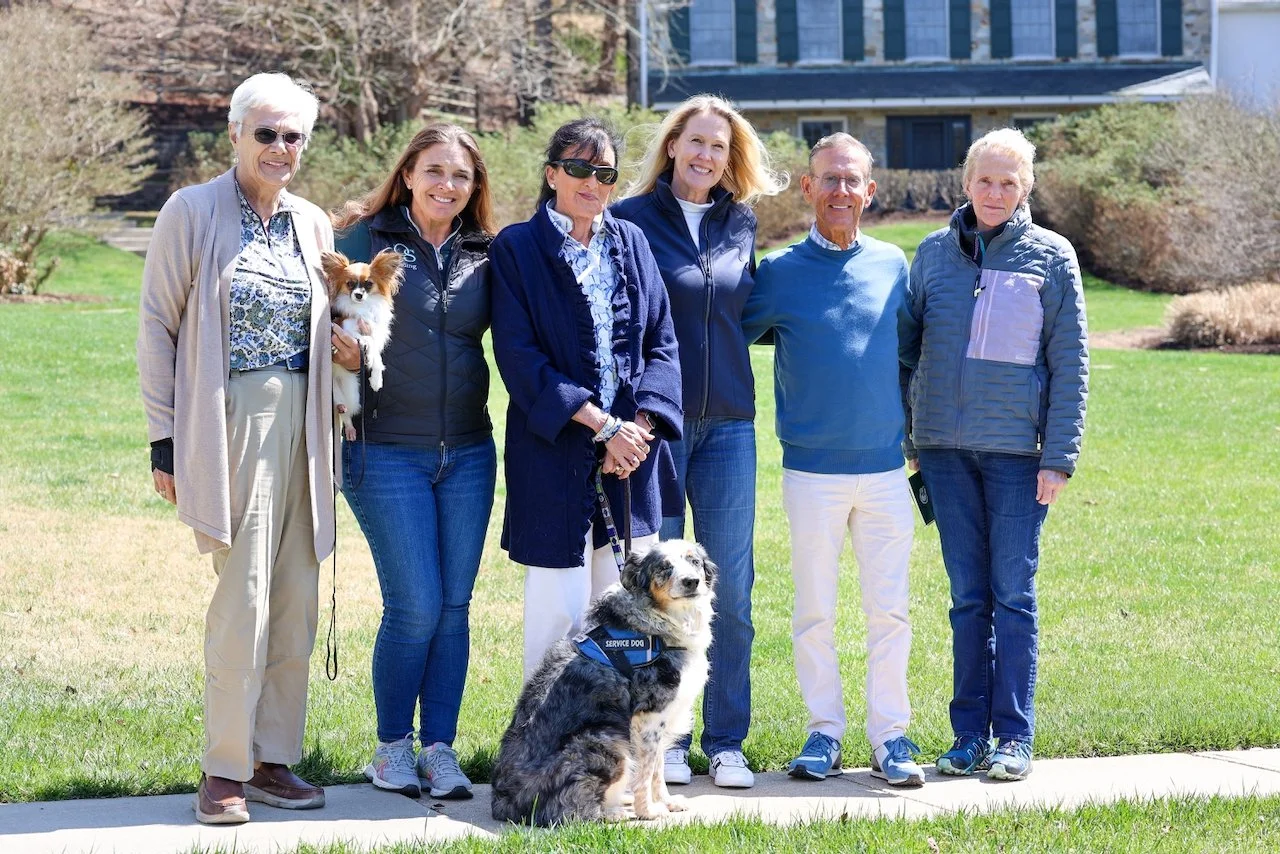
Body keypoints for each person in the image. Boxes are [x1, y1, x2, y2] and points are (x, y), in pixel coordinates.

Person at [137, 72, 342, 824]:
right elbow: (158, 324)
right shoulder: (191, 211)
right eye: (267, 134)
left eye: (294, 136)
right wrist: (164, 442)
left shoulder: (312, 223)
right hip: (233, 417)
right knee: (244, 594)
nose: (281, 148)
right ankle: (222, 768)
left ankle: (271, 760)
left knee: (297, 594)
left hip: (310, 424)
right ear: (234, 134)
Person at [901, 127, 1089, 782]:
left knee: (1013, 596)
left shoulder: (1052, 257)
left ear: (1027, 188)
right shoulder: (930, 255)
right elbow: (905, 352)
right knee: (966, 598)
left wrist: (1057, 457)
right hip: (944, 455)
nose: (995, 192)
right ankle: (966, 738)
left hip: (1017, 458)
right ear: (966, 182)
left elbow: (1070, 365)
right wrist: (912, 440)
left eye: (1009, 182)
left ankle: (1013, 737)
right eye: (985, 179)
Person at [741, 133, 925, 788]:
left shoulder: (892, 266)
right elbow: (725, 336)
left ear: (869, 192)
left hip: (883, 472)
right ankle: (823, 733)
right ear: (807, 188)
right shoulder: (780, 274)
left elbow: (912, 353)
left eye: (853, 181)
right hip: (811, 471)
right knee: (815, 608)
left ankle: (891, 738)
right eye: (830, 180)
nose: (841, 191)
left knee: (890, 610)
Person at [612, 95, 785, 789]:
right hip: (658, 426)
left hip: (730, 427)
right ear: (673, 146)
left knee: (730, 588)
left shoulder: (739, 222)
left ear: (731, 157)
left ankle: (727, 740)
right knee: (657, 592)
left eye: (719, 146)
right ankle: (661, 743)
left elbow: (744, 311)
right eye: (696, 143)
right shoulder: (629, 220)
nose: (706, 156)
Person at [331, 124, 498, 800]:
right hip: (383, 449)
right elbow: (309, 312)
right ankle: (392, 748)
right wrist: (333, 349)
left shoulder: (488, 253)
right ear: (407, 174)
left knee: (454, 607)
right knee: (416, 605)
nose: (446, 185)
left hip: (468, 452)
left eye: (460, 176)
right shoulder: (361, 240)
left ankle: (441, 749)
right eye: (433, 170)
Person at [489, 117, 683, 681]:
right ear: (552, 174)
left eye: (604, 172)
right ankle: (543, 756)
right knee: (558, 612)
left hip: (631, 458)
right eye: (576, 168)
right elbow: (519, 358)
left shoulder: (632, 242)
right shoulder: (518, 248)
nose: (590, 182)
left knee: (627, 618)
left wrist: (636, 431)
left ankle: (611, 755)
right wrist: (602, 427)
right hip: (553, 453)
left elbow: (662, 343)